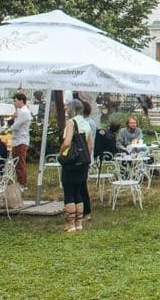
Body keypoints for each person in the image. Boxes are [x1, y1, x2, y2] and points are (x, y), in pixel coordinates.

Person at [58, 99, 93, 232]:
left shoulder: (71, 122)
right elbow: (90, 145)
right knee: (78, 192)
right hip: (83, 162)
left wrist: (61, 152)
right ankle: (79, 224)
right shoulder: (86, 123)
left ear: (71, 109)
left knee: (69, 192)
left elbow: (67, 142)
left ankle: (70, 224)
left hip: (71, 162)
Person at [9, 92, 32, 188]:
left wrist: (10, 126)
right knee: (17, 163)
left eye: (15, 101)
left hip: (21, 141)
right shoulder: (20, 111)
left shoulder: (24, 112)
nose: (14, 103)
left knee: (20, 163)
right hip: (18, 140)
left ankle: (22, 184)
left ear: (21, 101)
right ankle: (20, 182)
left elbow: (16, 126)